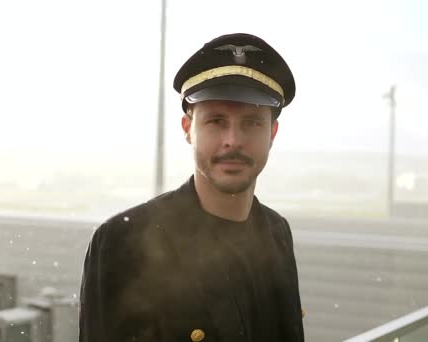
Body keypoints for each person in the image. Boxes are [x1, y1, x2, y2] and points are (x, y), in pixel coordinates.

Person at [79, 33, 304, 342]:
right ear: (188, 129)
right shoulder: (124, 241)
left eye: (252, 122)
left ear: (272, 132)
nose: (233, 140)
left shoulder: (277, 232)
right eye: (216, 121)